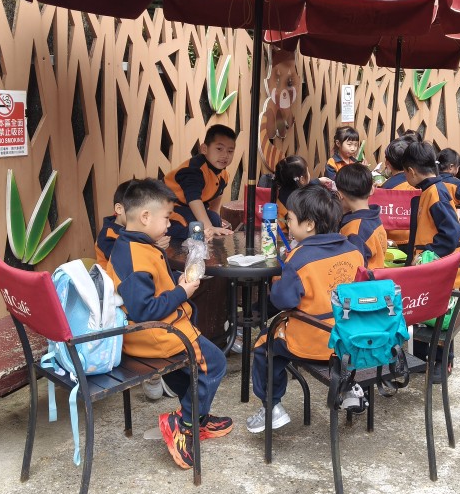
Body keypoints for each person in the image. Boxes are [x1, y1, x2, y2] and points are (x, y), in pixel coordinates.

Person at [108, 179, 231, 469]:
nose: (169, 224)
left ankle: (198, 416)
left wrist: (176, 283)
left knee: (191, 372)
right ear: (145, 217)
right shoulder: (136, 256)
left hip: (158, 329)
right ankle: (184, 424)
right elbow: (144, 310)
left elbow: (151, 290)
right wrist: (182, 293)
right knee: (215, 364)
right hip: (154, 334)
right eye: (166, 218)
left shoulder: (134, 245)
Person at [247, 185, 365, 432]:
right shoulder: (354, 251)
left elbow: (283, 301)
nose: (287, 225)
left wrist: (276, 281)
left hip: (314, 342)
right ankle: (348, 387)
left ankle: (271, 407)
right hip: (350, 340)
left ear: (309, 224)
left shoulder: (299, 258)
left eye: (289, 219)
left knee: (264, 346)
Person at [95, 178, 171, 401]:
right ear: (121, 209)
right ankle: (154, 373)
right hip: (118, 297)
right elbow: (130, 270)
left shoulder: (135, 237)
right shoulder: (115, 240)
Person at [403, 141, 460, 287]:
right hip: (435, 268)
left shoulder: (435, 193)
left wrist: (427, 254)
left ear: (411, 171)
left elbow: (452, 232)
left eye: (405, 173)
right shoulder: (430, 190)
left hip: (443, 273)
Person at [164, 124, 236, 240]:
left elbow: (217, 196)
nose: (225, 155)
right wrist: (209, 228)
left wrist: (214, 223)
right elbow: (194, 200)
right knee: (195, 226)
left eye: (230, 151)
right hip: (169, 209)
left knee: (214, 218)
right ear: (204, 149)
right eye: (219, 149)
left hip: (188, 209)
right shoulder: (193, 170)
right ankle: (180, 250)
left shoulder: (224, 175)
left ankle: (207, 245)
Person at [336, 163, 387, 269]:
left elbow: (354, 268)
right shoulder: (374, 217)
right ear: (372, 189)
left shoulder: (355, 230)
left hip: (365, 279)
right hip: (378, 276)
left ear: (340, 194)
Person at [270, 155, 310, 234]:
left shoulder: (281, 194)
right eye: (307, 171)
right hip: (289, 238)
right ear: (302, 179)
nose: (309, 174)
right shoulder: (301, 201)